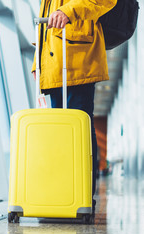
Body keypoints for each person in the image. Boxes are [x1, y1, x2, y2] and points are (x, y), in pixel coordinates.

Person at [31, 0, 117, 207]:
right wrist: (38, 62)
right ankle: (63, 190)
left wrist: (68, 10)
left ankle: (82, 195)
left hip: (77, 57)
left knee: (80, 127)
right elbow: (45, 26)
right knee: (61, 133)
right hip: (54, 63)